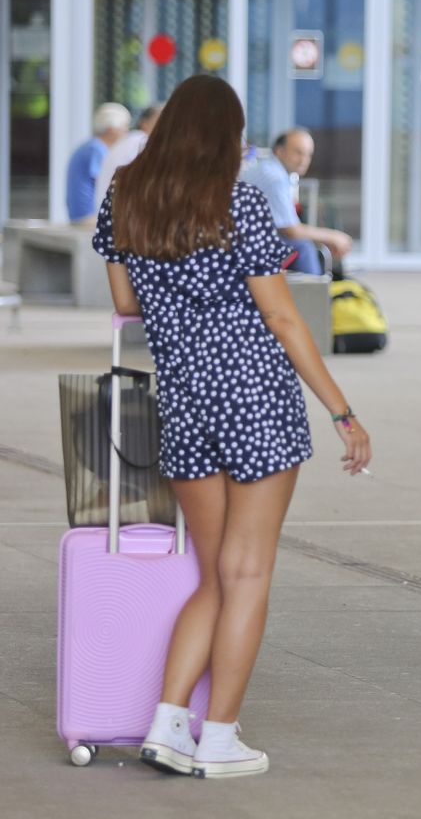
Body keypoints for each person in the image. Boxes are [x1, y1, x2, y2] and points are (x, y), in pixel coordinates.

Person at [93, 75, 372, 778]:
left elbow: (125, 300)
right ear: (227, 137)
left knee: (213, 576)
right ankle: (217, 738)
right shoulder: (238, 202)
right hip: (253, 400)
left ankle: (167, 723)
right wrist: (342, 410)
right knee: (246, 575)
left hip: (183, 402)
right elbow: (281, 317)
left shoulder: (125, 198)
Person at [240, 127, 353, 275]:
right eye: (298, 152)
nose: (304, 160)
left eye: (308, 155)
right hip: (243, 246)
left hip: (243, 241)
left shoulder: (269, 169)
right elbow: (291, 230)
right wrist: (333, 237)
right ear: (280, 151)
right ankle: (315, 296)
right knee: (303, 247)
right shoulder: (275, 178)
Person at [92, 103, 163, 218]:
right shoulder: (140, 142)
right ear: (144, 123)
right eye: (160, 120)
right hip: (119, 218)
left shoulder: (129, 141)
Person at [66, 102, 130, 223]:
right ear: (112, 129)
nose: (126, 131)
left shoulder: (90, 146)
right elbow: (109, 183)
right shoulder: (96, 149)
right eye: (124, 126)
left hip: (80, 216)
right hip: (88, 217)